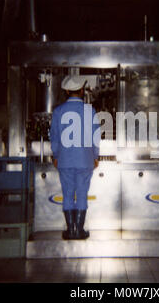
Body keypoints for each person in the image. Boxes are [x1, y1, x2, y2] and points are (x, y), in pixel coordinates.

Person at [50, 75, 100, 240]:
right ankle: (79, 230)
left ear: (66, 91)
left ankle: (70, 230)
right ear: (81, 90)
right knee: (82, 193)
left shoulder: (58, 111)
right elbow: (95, 136)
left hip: (64, 160)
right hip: (85, 160)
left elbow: (55, 137)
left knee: (68, 194)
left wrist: (56, 155)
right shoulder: (90, 110)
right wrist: (95, 156)